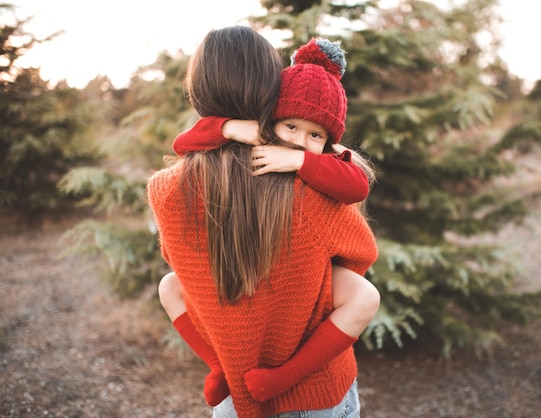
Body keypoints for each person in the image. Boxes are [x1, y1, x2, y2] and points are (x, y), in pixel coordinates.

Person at [148, 26, 378, 418]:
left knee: (168, 285)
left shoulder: (164, 189)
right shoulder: (306, 186)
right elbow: (361, 254)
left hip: (234, 398)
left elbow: (180, 265)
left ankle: (220, 367)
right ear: (272, 90)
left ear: (196, 89)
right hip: (314, 395)